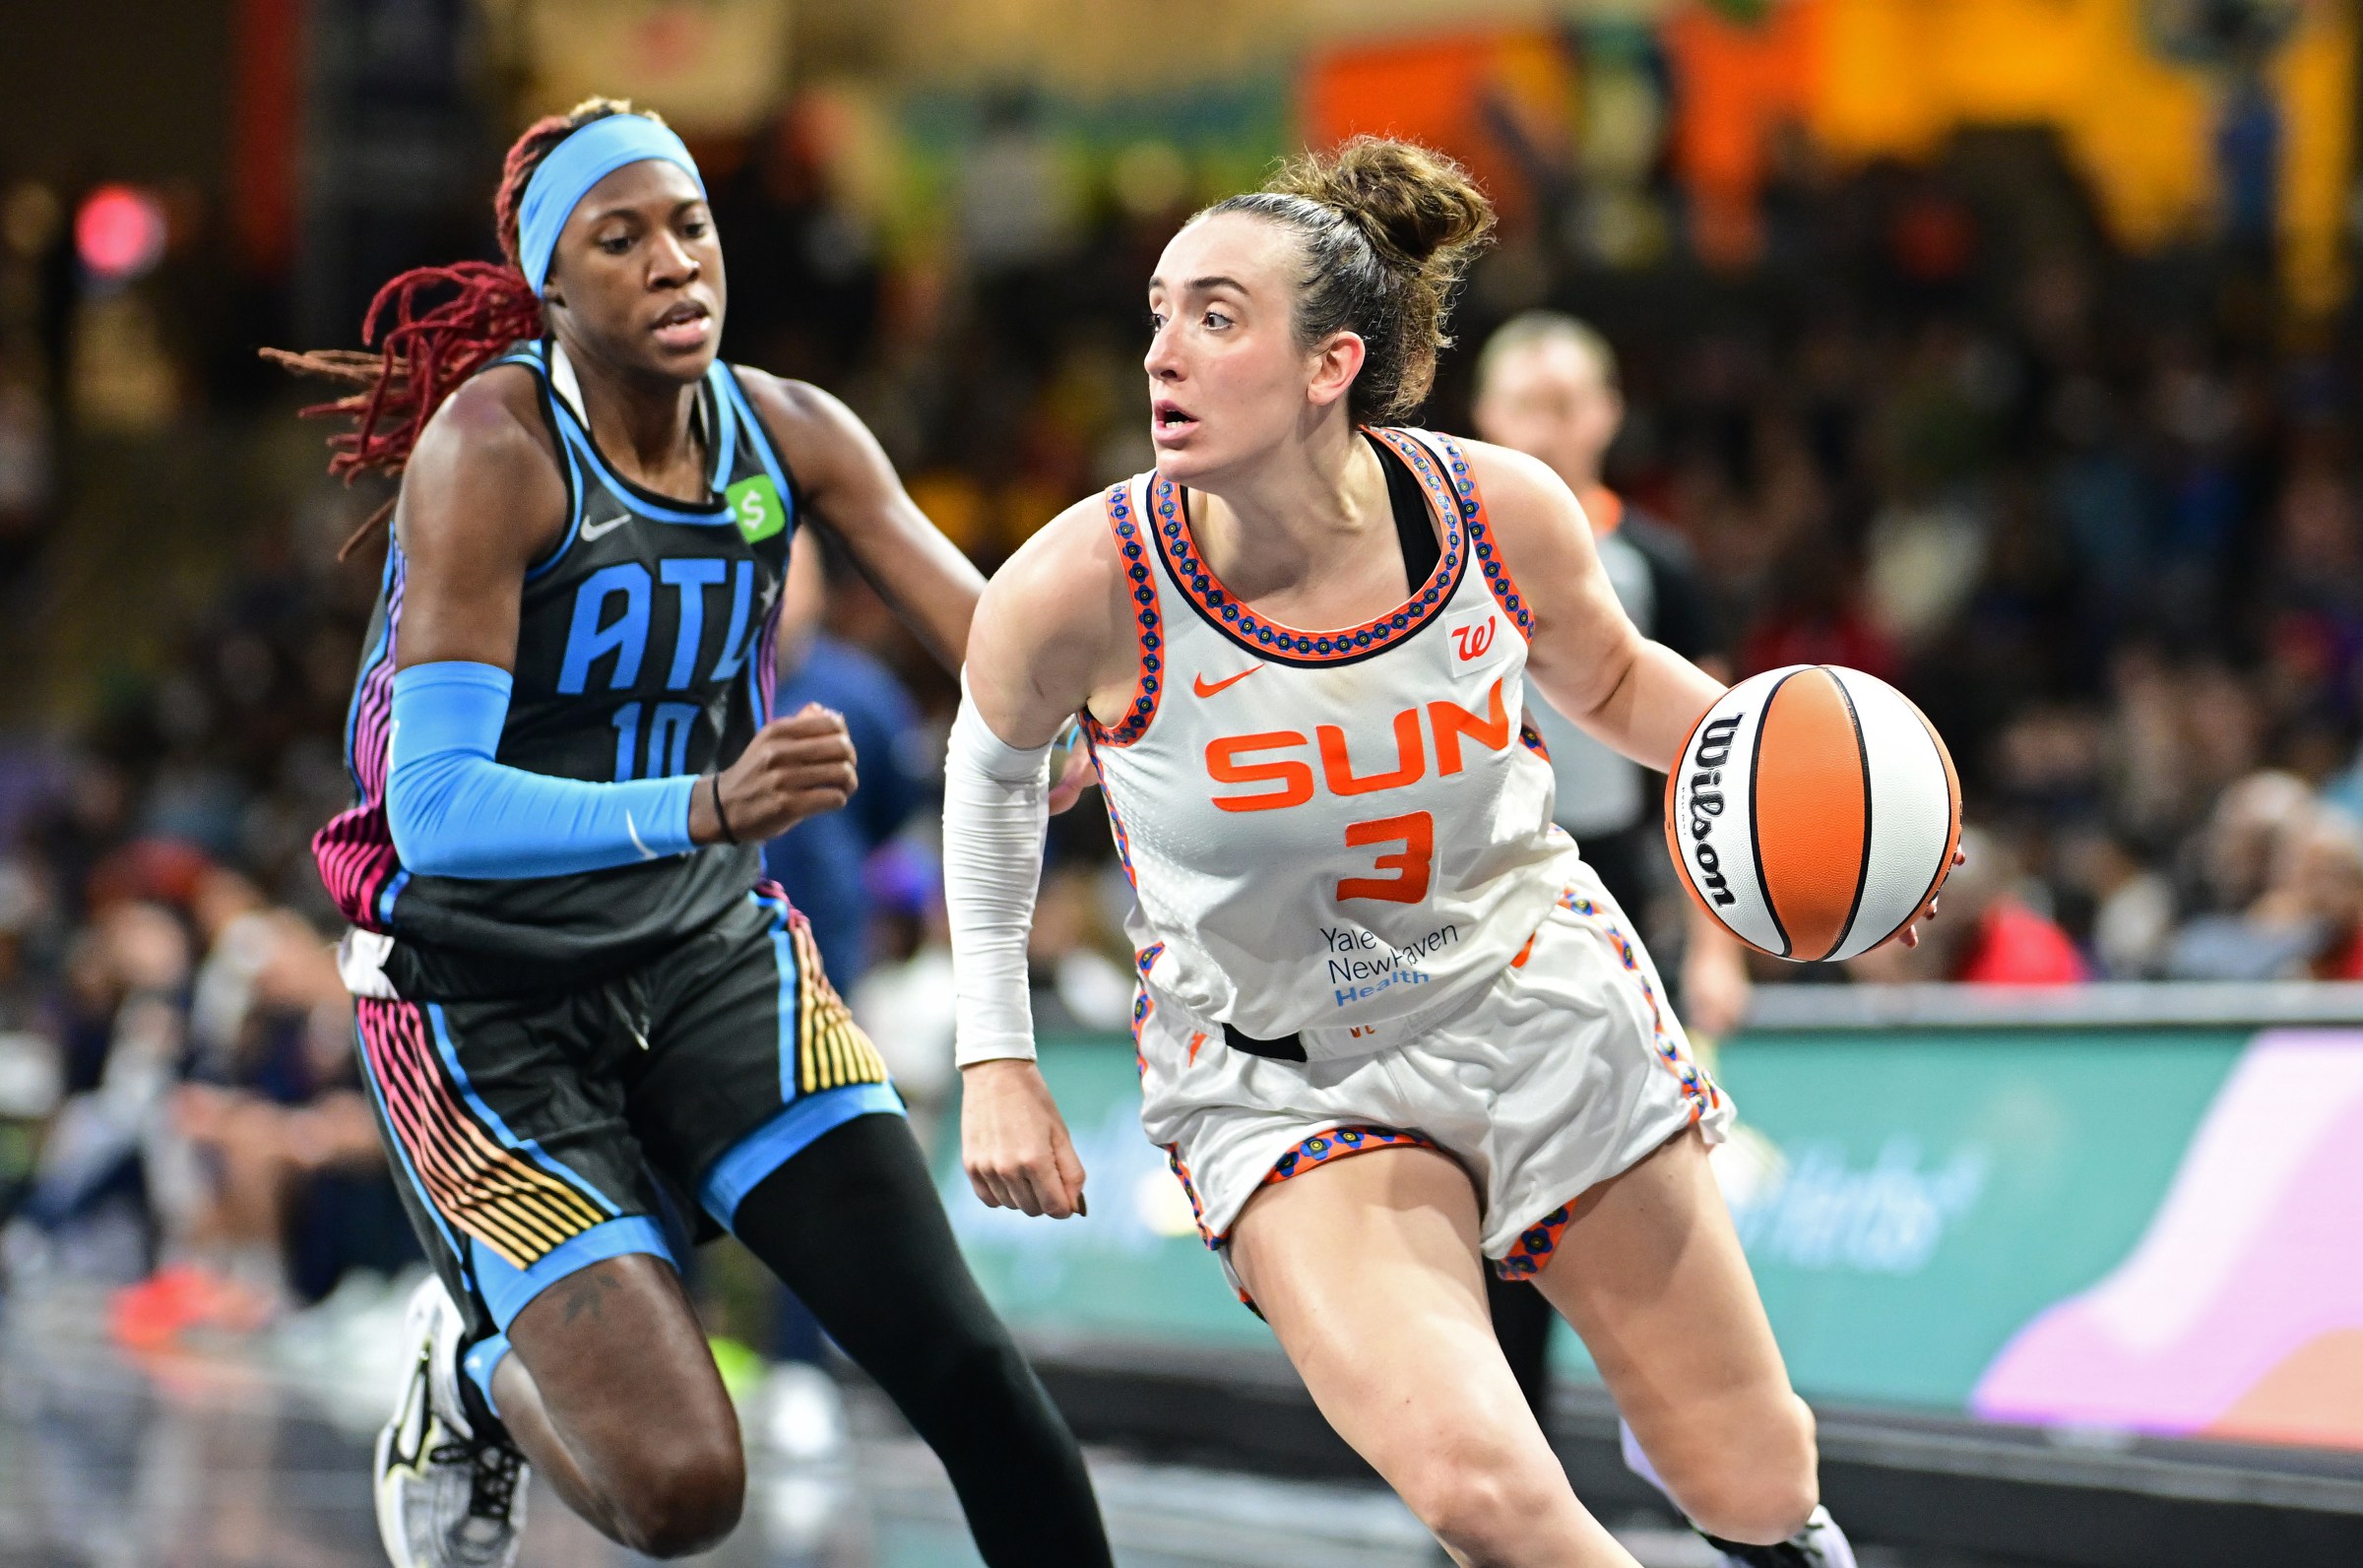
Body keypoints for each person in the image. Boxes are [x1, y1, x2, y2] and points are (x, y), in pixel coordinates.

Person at [946, 139, 1914, 1566]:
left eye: (1217, 317)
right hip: (1289, 1081)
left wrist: (1825, 805)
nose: (1163, 352)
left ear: (1332, 365)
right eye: (1160, 310)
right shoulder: (1085, 580)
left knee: (1758, 1478)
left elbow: (1620, 684)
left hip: (1534, 1003)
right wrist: (995, 1052)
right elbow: (988, 766)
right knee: (1487, 1497)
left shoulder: (1492, 509)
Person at [275, 98, 1109, 1568]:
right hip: (482, 1001)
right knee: (680, 1492)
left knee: (973, 1377)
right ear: (552, 284)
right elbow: (439, 810)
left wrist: (1086, 729)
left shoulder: (790, 429)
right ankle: (472, 1373)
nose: (674, 264)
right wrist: (711, 801)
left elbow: (1002, 647)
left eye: (692, 226)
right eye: (623, 238)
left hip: (715, 957)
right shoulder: (490, 453)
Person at [1468, 309, 1756, 1419]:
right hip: (1472, 893)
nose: (1547, 420)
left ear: (1608, 414)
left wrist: (1719, 948)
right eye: (1524, 402)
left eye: (1567, 399)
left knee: (1621, 1186)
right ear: (1486, 416)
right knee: (1495, 1195)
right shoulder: (1421, 549)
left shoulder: (1658, 567)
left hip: (1613, 889)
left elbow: (1716, 760)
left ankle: (1702, 1452)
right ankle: (1505, 1463)